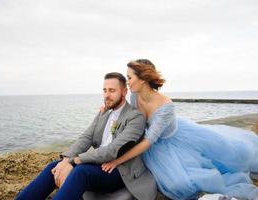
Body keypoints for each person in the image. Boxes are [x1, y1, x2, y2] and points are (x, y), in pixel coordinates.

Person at [101, 59, 258, 200]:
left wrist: (117, 161)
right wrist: (108, 107)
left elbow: (149, 141)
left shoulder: (165, 106)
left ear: (142, 79)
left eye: (129, 78)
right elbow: (128, 113)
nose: (127, 82)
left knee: (180, 184)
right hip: (149, 141)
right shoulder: (135, 96)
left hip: (169, 143)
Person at [15, 72, 158, 200]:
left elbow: (112, 150)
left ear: (124, 91)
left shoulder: (135, 117)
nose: (107, 95)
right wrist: (66, 160)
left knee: (80, 172)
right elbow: (86, 137)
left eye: (112, 91)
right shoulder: (104, 112)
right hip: (98, 165)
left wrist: (74, 161)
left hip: (119, 171)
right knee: (54, 167)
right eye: (104, 90)